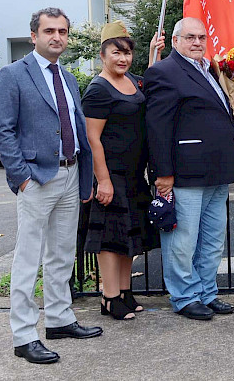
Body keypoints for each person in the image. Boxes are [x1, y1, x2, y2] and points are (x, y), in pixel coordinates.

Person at [0, 7, 101, 364]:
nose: (57, 37)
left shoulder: (68, 78)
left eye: (63, 31)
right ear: (34, 36)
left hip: (70, 174)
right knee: (28, 259)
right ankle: (24, 336)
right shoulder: (13, 75)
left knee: (62, 254)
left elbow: (77, 127)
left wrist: (83, 175)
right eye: (50, 30)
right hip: (36, 179)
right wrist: (22, 177)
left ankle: (59, 319)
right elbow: (2, 131)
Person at [144, 17, 234, 320]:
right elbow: (157, 126)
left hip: (218, 172)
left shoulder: (211, 69)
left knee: (213, 239)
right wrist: (162, 172)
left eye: (202, 37)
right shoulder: (163, 71)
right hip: (184, 173)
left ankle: (206, 292)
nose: (197, 43)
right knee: (183, 240)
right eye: (190, 37)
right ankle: (184, 297)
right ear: (175, 40)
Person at [81, 21, 164, 320]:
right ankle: (109, 297)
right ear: (103, 55)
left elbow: (148, 90)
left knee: (130, 237)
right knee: (111, 240)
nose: (123, 59)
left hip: (133, 175)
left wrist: (154, 54)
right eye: (116, 53)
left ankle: (126, 292)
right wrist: (102, 180)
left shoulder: (133, 81)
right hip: (110, 175)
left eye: (127, 53)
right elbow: (92, 138)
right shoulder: (97, 90)